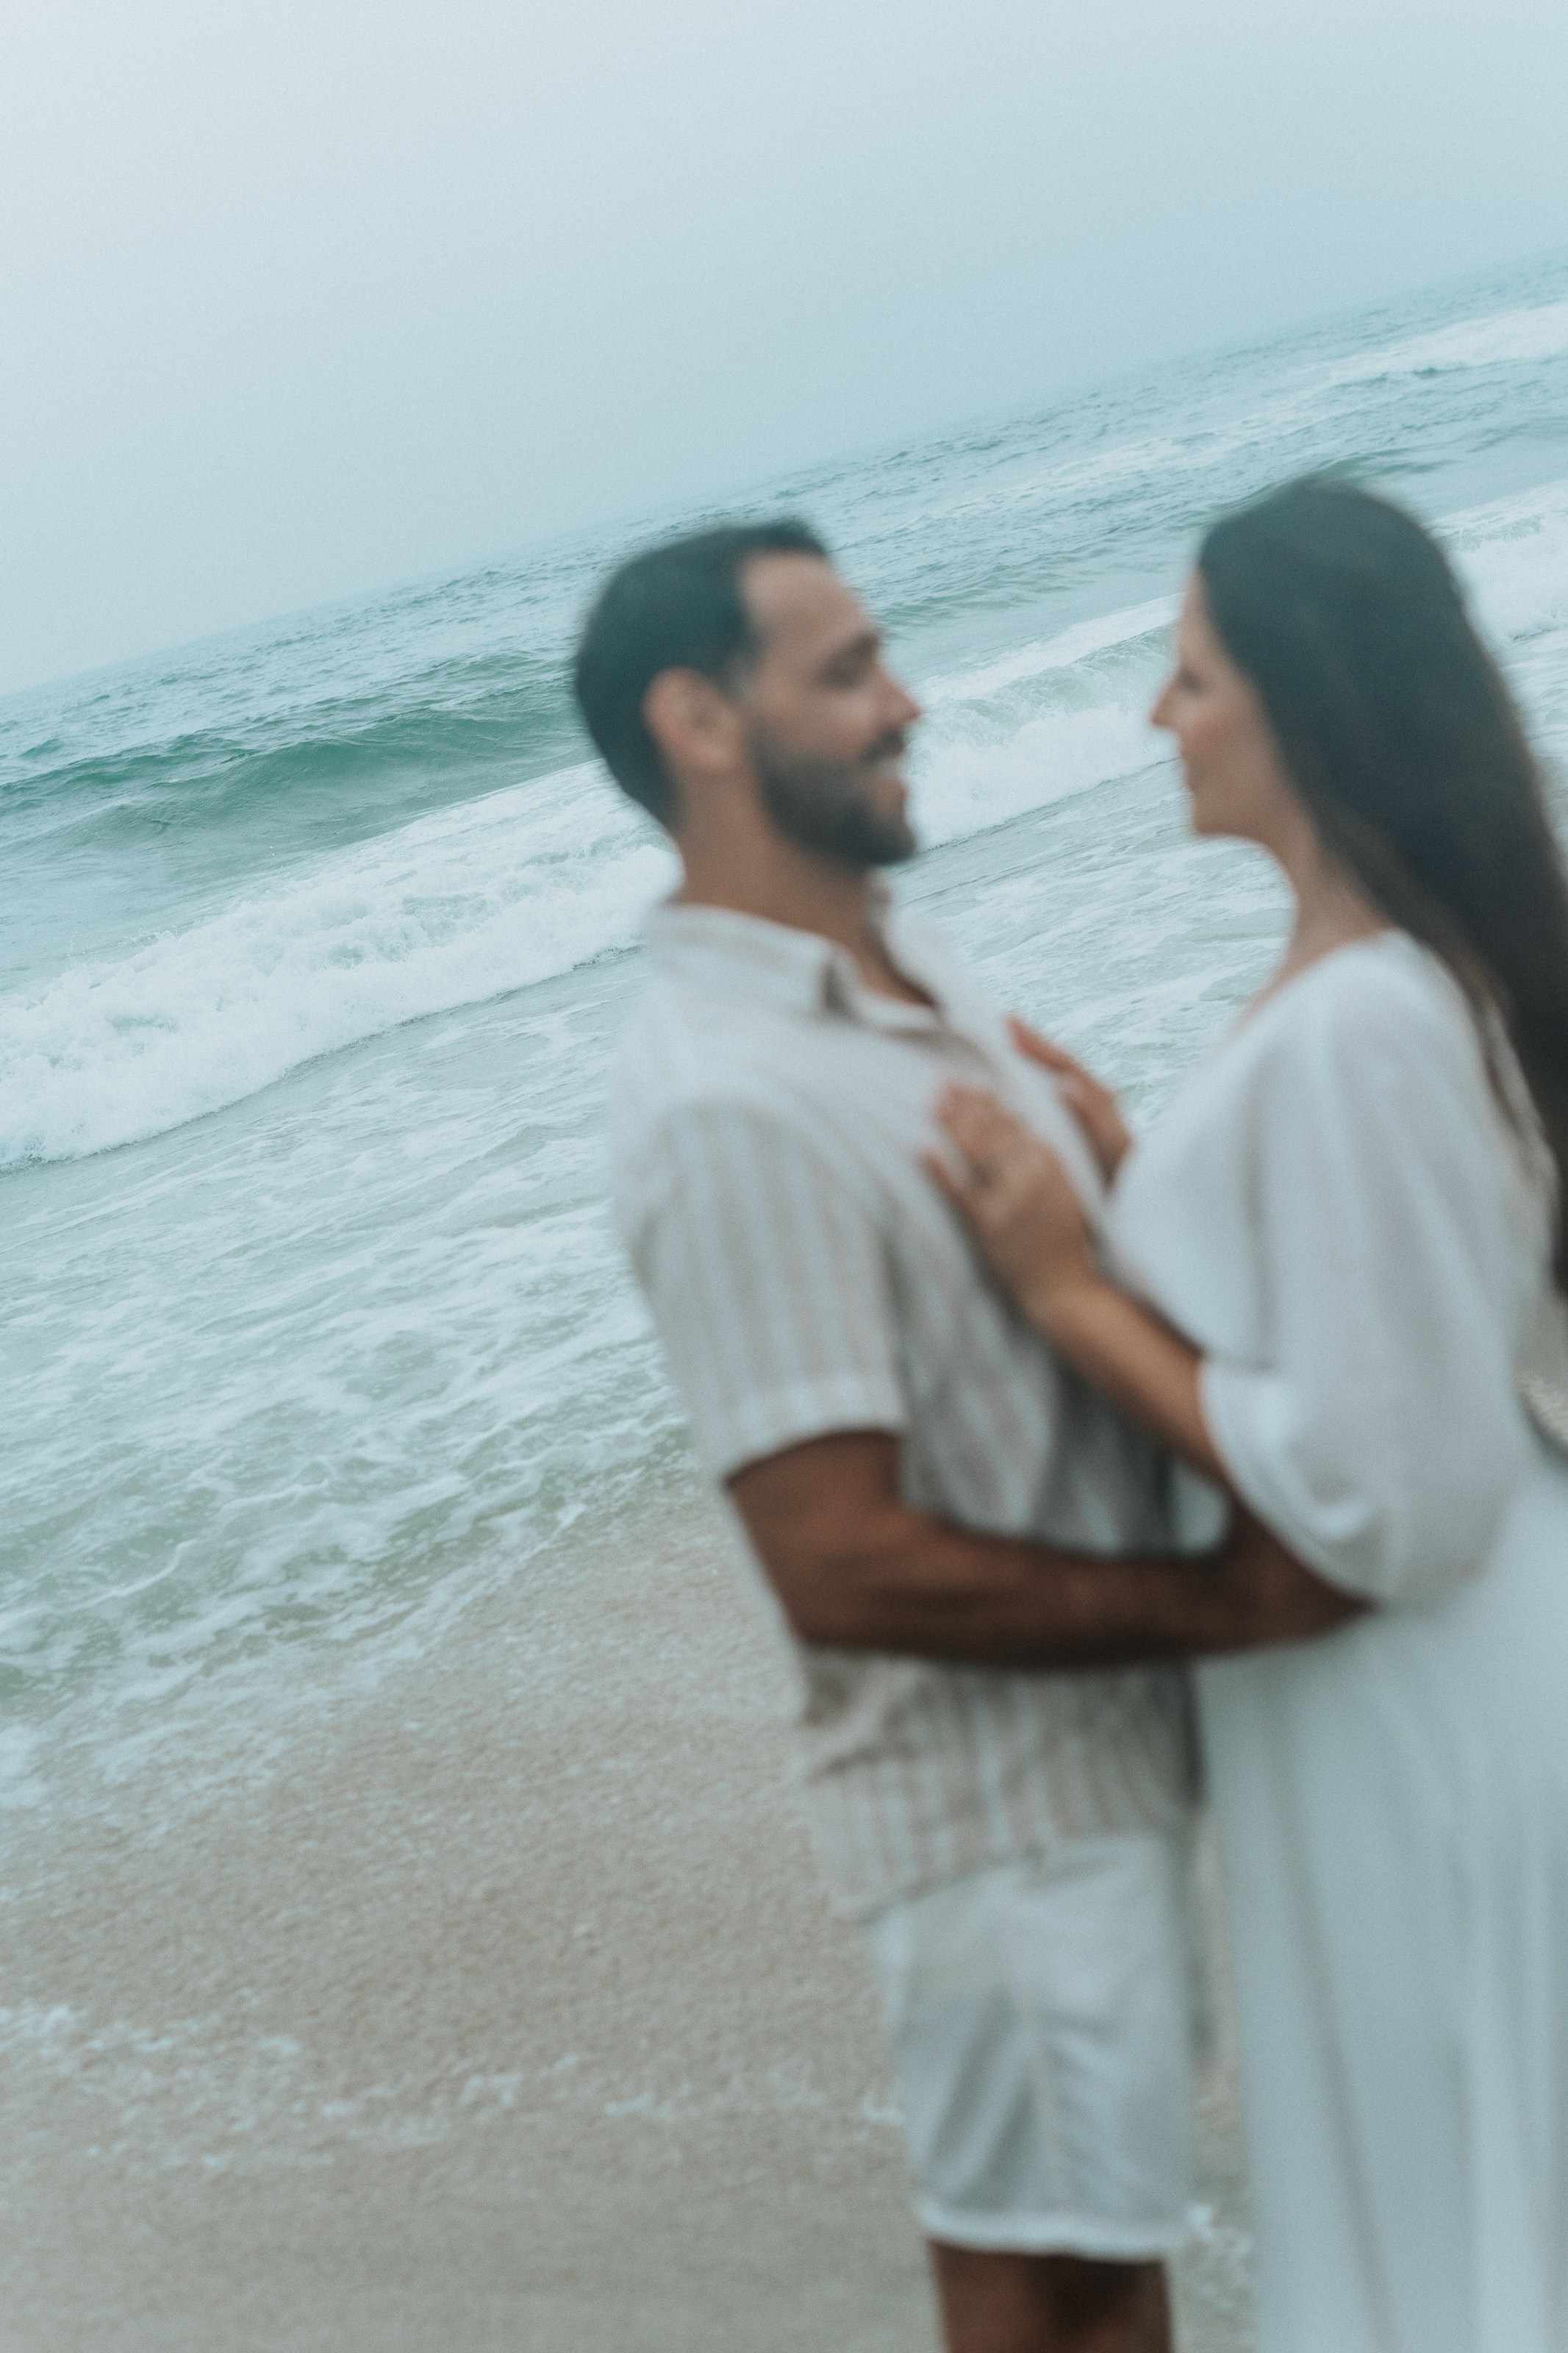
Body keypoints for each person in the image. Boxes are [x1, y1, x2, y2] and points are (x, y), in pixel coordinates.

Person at [573, 520, 1353, 2353]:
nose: (905, 702)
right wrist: (1233, 1606)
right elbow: (835, 1560)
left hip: (1116, 1769)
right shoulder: (725, 1101)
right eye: (845, 672)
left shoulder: (900, 968)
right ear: (699, 721)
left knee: (1102, 2278)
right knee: (1048, 2297)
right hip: (1000, 1822)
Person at [932, 477, 1568, 2353]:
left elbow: (1390, 1488)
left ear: (1302, 700)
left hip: (1418, 1698)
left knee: (1462, 2229)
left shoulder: (1358, 1015)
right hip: (1405, 1694)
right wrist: (1145, 1184)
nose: (1156, 715)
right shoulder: (1375, 982)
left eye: (1192, 676)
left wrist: (1066, 1288)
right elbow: (1362, 1319)